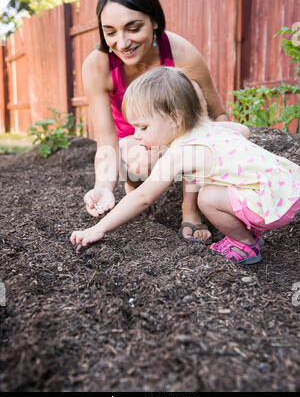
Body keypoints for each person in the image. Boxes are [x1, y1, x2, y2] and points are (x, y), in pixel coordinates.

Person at [71, 67, 300, 264]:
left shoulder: (181, 153)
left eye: (143, 127)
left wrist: (98, 228)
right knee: (218, 189)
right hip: (285, 187)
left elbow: (142, 197)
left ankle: (245, 244)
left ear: (175, 119)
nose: (136, 135)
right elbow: (244, 131)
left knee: (208, 197)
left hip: (268, 205)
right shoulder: (212, 129)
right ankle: (248, 222)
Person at [81, 0, 228, 242]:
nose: (122, 43)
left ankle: (190, 210)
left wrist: (220, 156)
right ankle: (134, 188)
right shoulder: (98, 65)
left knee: (197, 136)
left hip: (184, 139)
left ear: (155, 21)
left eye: (133, 28)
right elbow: (106, 139)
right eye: (110, 32)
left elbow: (216, 115)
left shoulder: (181, 54)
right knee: (141, 157)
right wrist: (103, 186)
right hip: (135, 143)